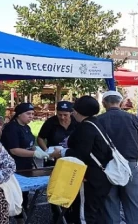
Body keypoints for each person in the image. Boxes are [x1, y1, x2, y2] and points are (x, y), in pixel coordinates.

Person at [50, 96, 113, 224]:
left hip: (90, 176)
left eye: (74, 110)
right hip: (102, 174)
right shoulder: (96, 122)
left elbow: (81, 154)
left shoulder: (85, 127)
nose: (72, 113)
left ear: (78, 112)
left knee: (86, 213)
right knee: (98, 211)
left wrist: (61, 152)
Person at [97, 91, 138, 224]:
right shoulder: (132, 118)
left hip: (106, 167)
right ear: (121, 102)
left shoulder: (98, 120)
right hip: (130, 165)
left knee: (110, 204)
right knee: (134, 205)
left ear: (103, 103)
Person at [0, 103, 49, 224]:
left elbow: (29, 144)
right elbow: (14, 150)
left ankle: (23, 216)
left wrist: (36, 149)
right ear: (19, 114)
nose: (31, 116)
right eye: (28, 114)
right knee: (15, 194)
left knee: (25, 195)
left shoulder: (26, 127)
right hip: (13, 167)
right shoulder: (11, 128)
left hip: (26, 166)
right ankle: (18, 219)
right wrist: (34, 154)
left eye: (32, 114)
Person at [37, 101, 77, 167]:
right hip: (53, 156)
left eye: (65, 115)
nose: (62, 117)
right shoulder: (50, 122)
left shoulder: (76, 122)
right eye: (59, 114)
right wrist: (47, 151)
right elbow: (40, 138)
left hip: (71, 157)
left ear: (71, 113)